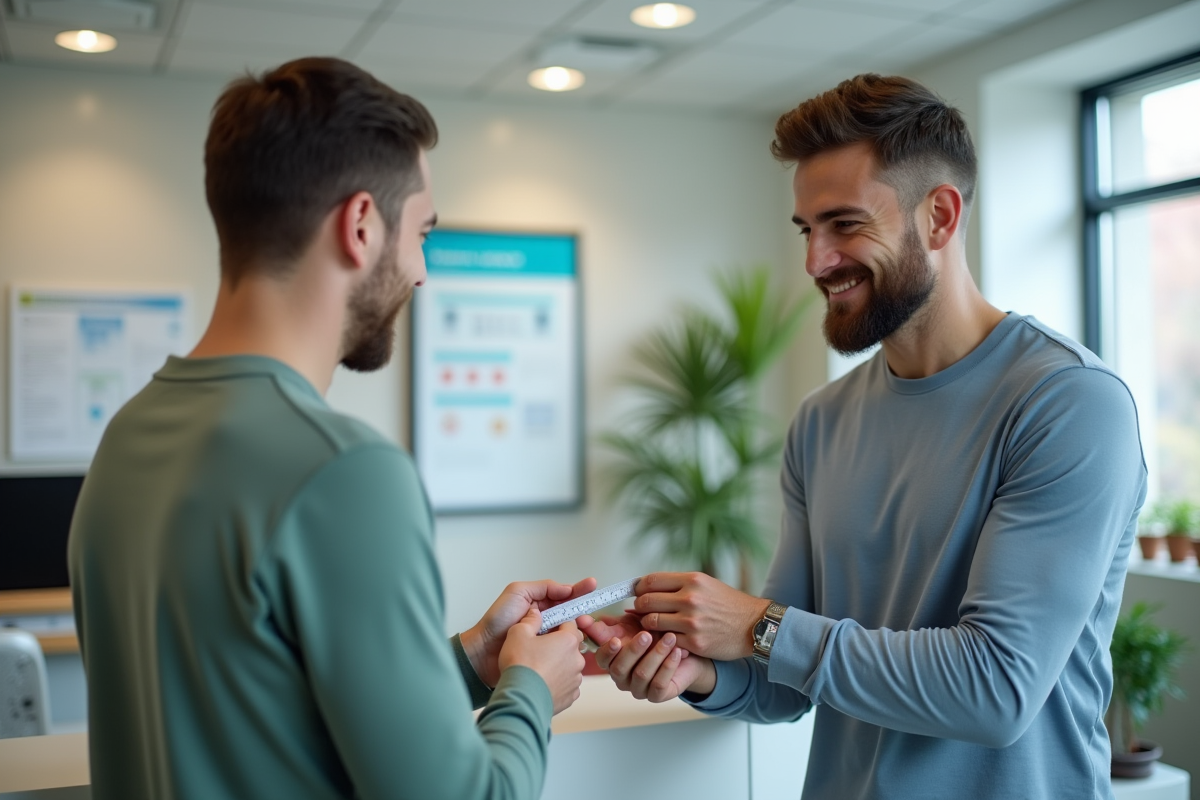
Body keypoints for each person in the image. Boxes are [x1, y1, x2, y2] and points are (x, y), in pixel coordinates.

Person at [580, 74, 1147, 799]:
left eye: (844, 224)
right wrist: (695, 672)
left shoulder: (1068, 403)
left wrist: (757, 625)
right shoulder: (821, 423)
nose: (816, 261)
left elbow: (995, 689)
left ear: (939, 218)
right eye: (806, 231)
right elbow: (783, 686)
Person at [68, 57, 590, 800]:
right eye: (422, 235)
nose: (421, 272)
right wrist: (530, 691)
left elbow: (255, 713)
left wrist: (473, 659)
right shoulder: (343, 471)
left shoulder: (127, 439)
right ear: (360, 226)